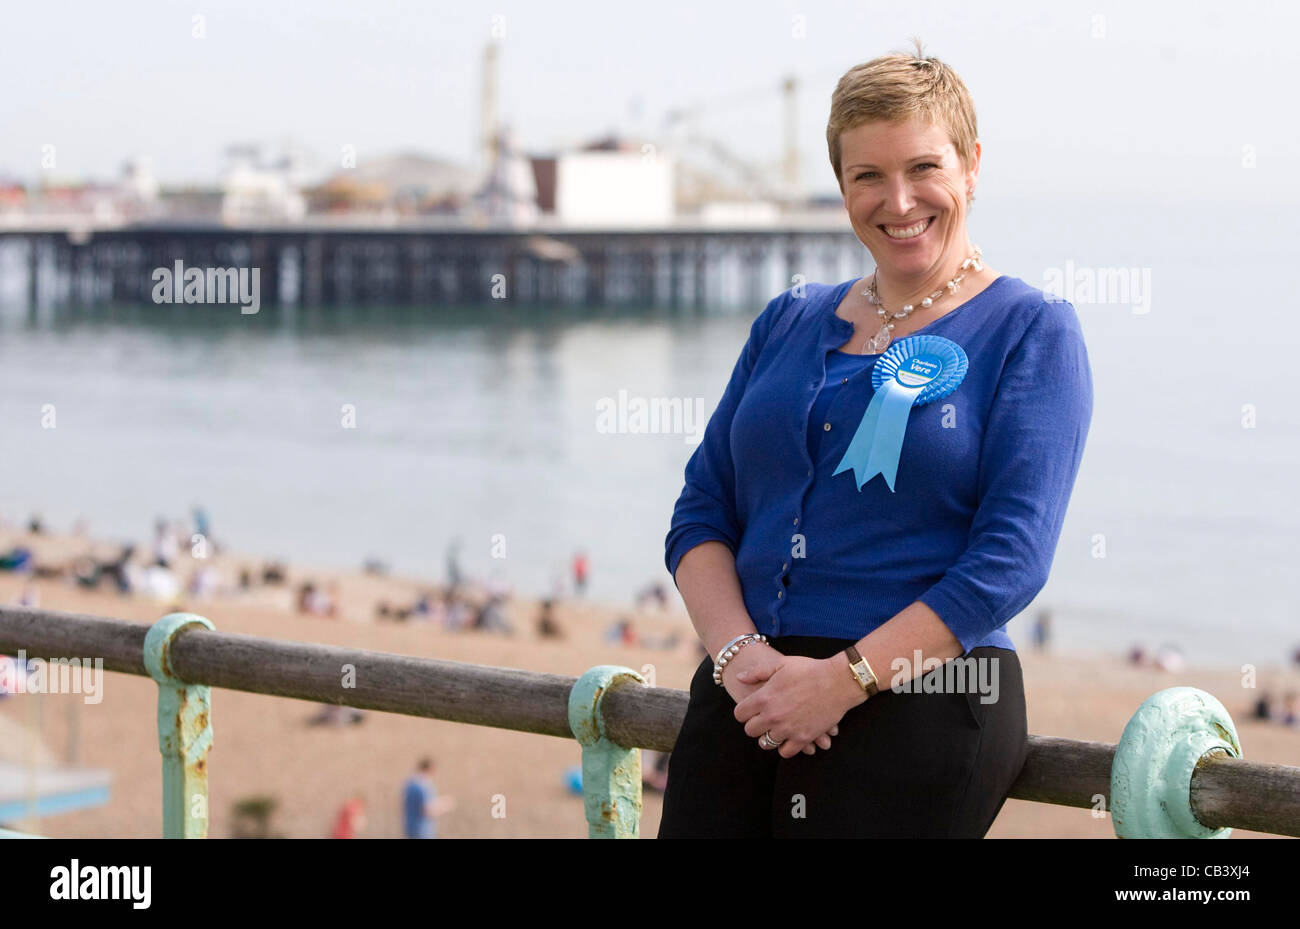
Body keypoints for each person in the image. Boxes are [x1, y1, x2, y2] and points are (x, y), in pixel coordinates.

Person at [658, 41, 1093, 839]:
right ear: (841, 187)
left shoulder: (1031, 330)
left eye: (923, 167)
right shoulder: (788, 319)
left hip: (923, 696)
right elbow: (702, 511)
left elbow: (1011, 559)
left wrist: (843, 680)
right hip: (745, 697)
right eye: (867, 176)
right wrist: (738, 657)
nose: (898, 200)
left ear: (971, 166)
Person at [402, 758, 454, 838]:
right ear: (430, 769)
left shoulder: (411, 784)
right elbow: (427, 810)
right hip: (421, 830)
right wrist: (444, 805)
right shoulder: (422, 786)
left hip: (411, 828)